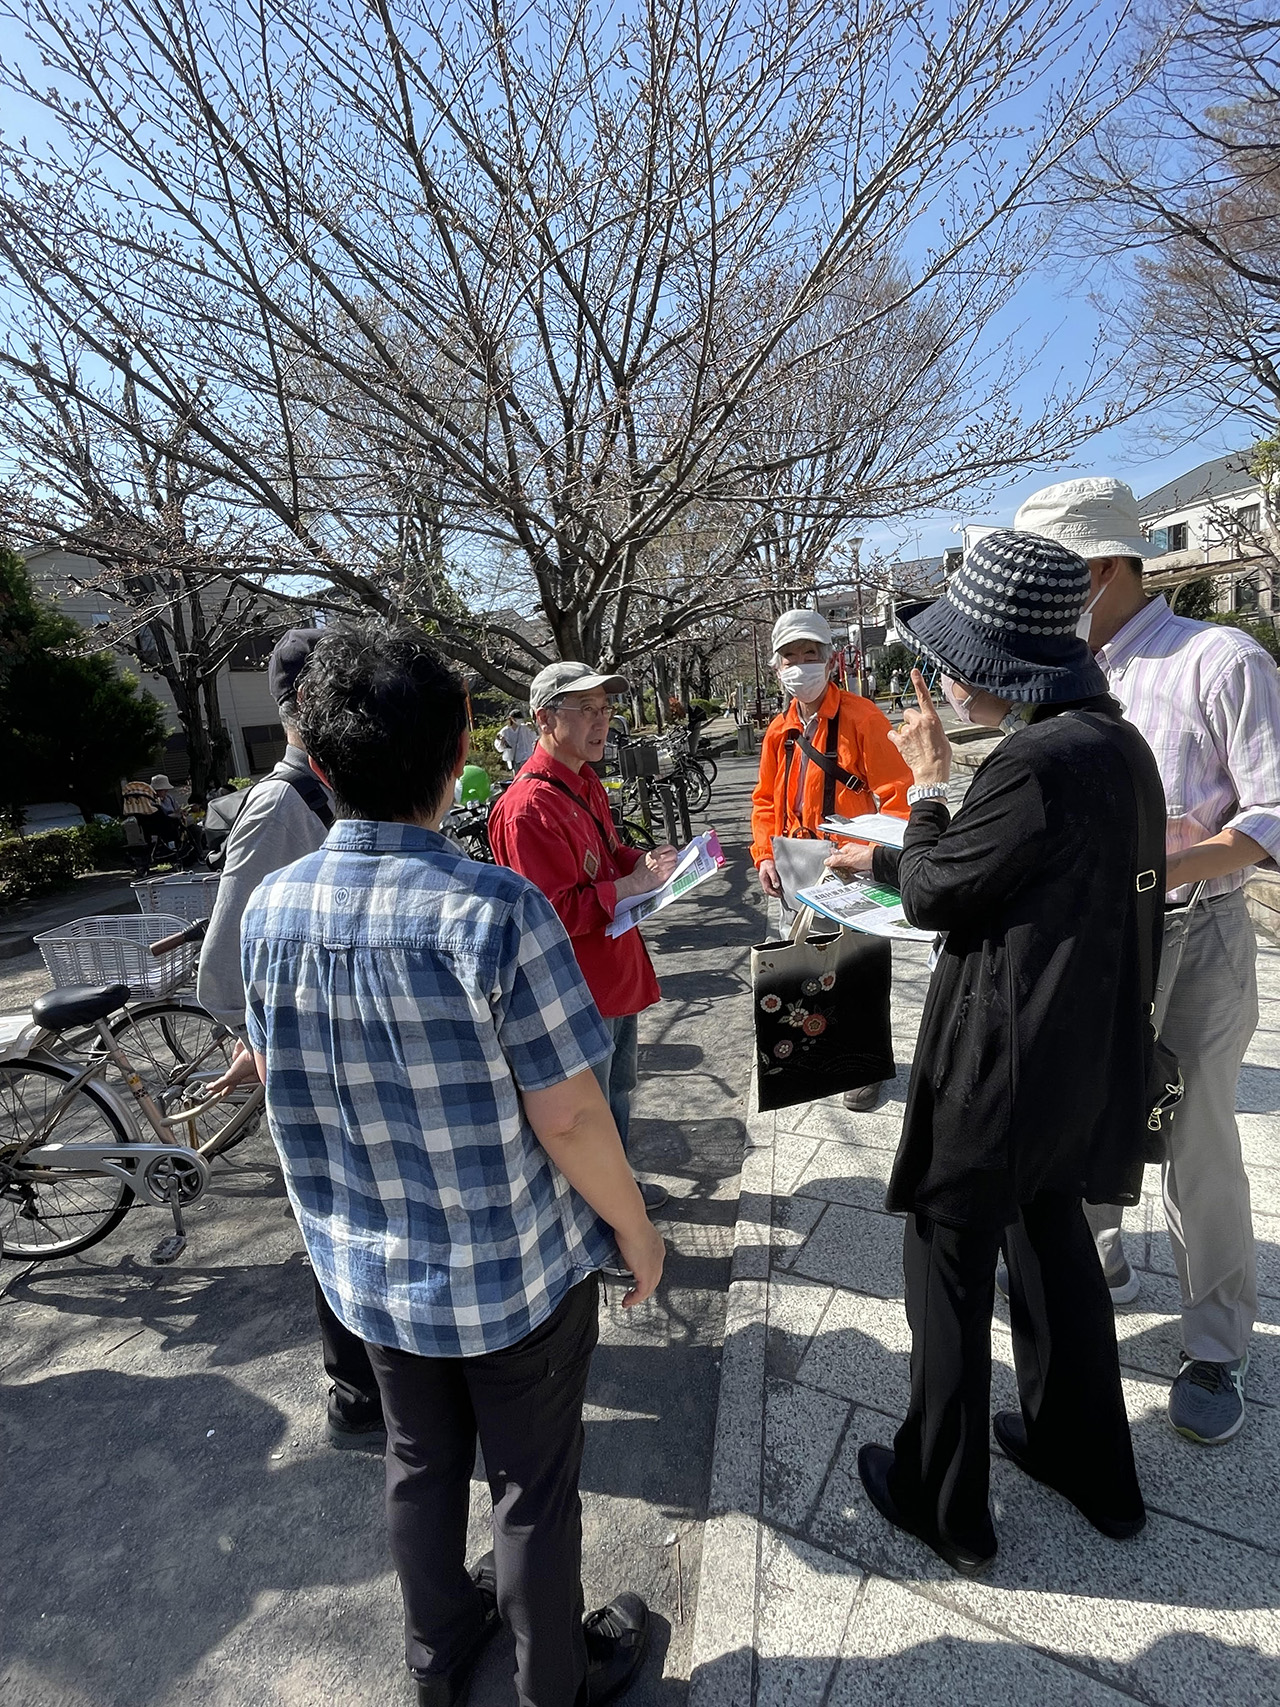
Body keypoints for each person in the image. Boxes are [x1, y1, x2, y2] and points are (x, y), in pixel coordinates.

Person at [242, 620, 663, 1707]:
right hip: (509, 1273)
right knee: (530, 1488)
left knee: (420, 1466)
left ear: (319, 759)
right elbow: (570, 1118)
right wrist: (635, 1229)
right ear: (461, 743)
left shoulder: (271, 910)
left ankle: (436, 1663)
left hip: (366, 1268)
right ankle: (548, 1684)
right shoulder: (491, 908)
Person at [827, 529, 1166, 1575]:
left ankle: (945, 1501)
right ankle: (1088, 1464)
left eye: (955, 656)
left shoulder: (1032, 762)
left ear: (996, 661)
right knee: (1055, 1251)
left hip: (997, 1061)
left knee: (947, 1265)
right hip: (1080, 1055)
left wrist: (925, 791)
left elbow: (934, 890)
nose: (944, 674)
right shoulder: (1114, 744)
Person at [1014, 476, 1280, 1445]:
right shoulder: (1061, 671)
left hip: (1194, 929)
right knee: (1084, 1112)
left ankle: (1214, 1341)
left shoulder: (1217, 657)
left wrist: (1162, 861)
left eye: (1048, 577)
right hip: (1090, 936)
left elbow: (1269, 810)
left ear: (1096, 567)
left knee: (1198, 1139)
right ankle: (1101, 1264)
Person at [197, 628, 386, 1452]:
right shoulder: (280, 805)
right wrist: (261, 1035)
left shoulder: (345, 786)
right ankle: (354, 1394)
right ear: (299, 708)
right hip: (316, 1066)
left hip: (365, 1054)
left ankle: (380, 1382)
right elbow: (220, 968)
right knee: (335, 1220)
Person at [488, 663, 678, 1212]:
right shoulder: (527, 807)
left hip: (612, 973)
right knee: (579, 1113)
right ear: (543, 718)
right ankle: (594, 1216)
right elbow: (550, 913)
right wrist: (631, 883)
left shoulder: (584, 779)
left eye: (606, 709)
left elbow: (607, 854)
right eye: (587, 710)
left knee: (616, 1092)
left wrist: (641, 864)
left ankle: (616, 1195)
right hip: (574, 989)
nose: (602, 722)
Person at [750, 608, 912, 1112]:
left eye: (811, 654)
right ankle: (817, 1055)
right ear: (777, 667)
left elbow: (900, 798)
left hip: (850, 862)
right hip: (795, 859)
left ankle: (863, 1066)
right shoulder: (780, 728)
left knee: (858, 966)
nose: (801, 665)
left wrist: (874, 855)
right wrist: (763, 855)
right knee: (805, 966)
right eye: (790, 657)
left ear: (831, 658)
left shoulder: (864, 718)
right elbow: (765, 801)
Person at [495, 708, 538, 772]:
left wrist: (532, 729)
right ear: (512, 719)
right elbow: (500, 748)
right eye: (518, 719)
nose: (520, 721)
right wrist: (502, 742)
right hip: (514, 759)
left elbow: (534, 738)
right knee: (517, 778)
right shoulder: (505, 731)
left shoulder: (525, 728)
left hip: (526, 757)